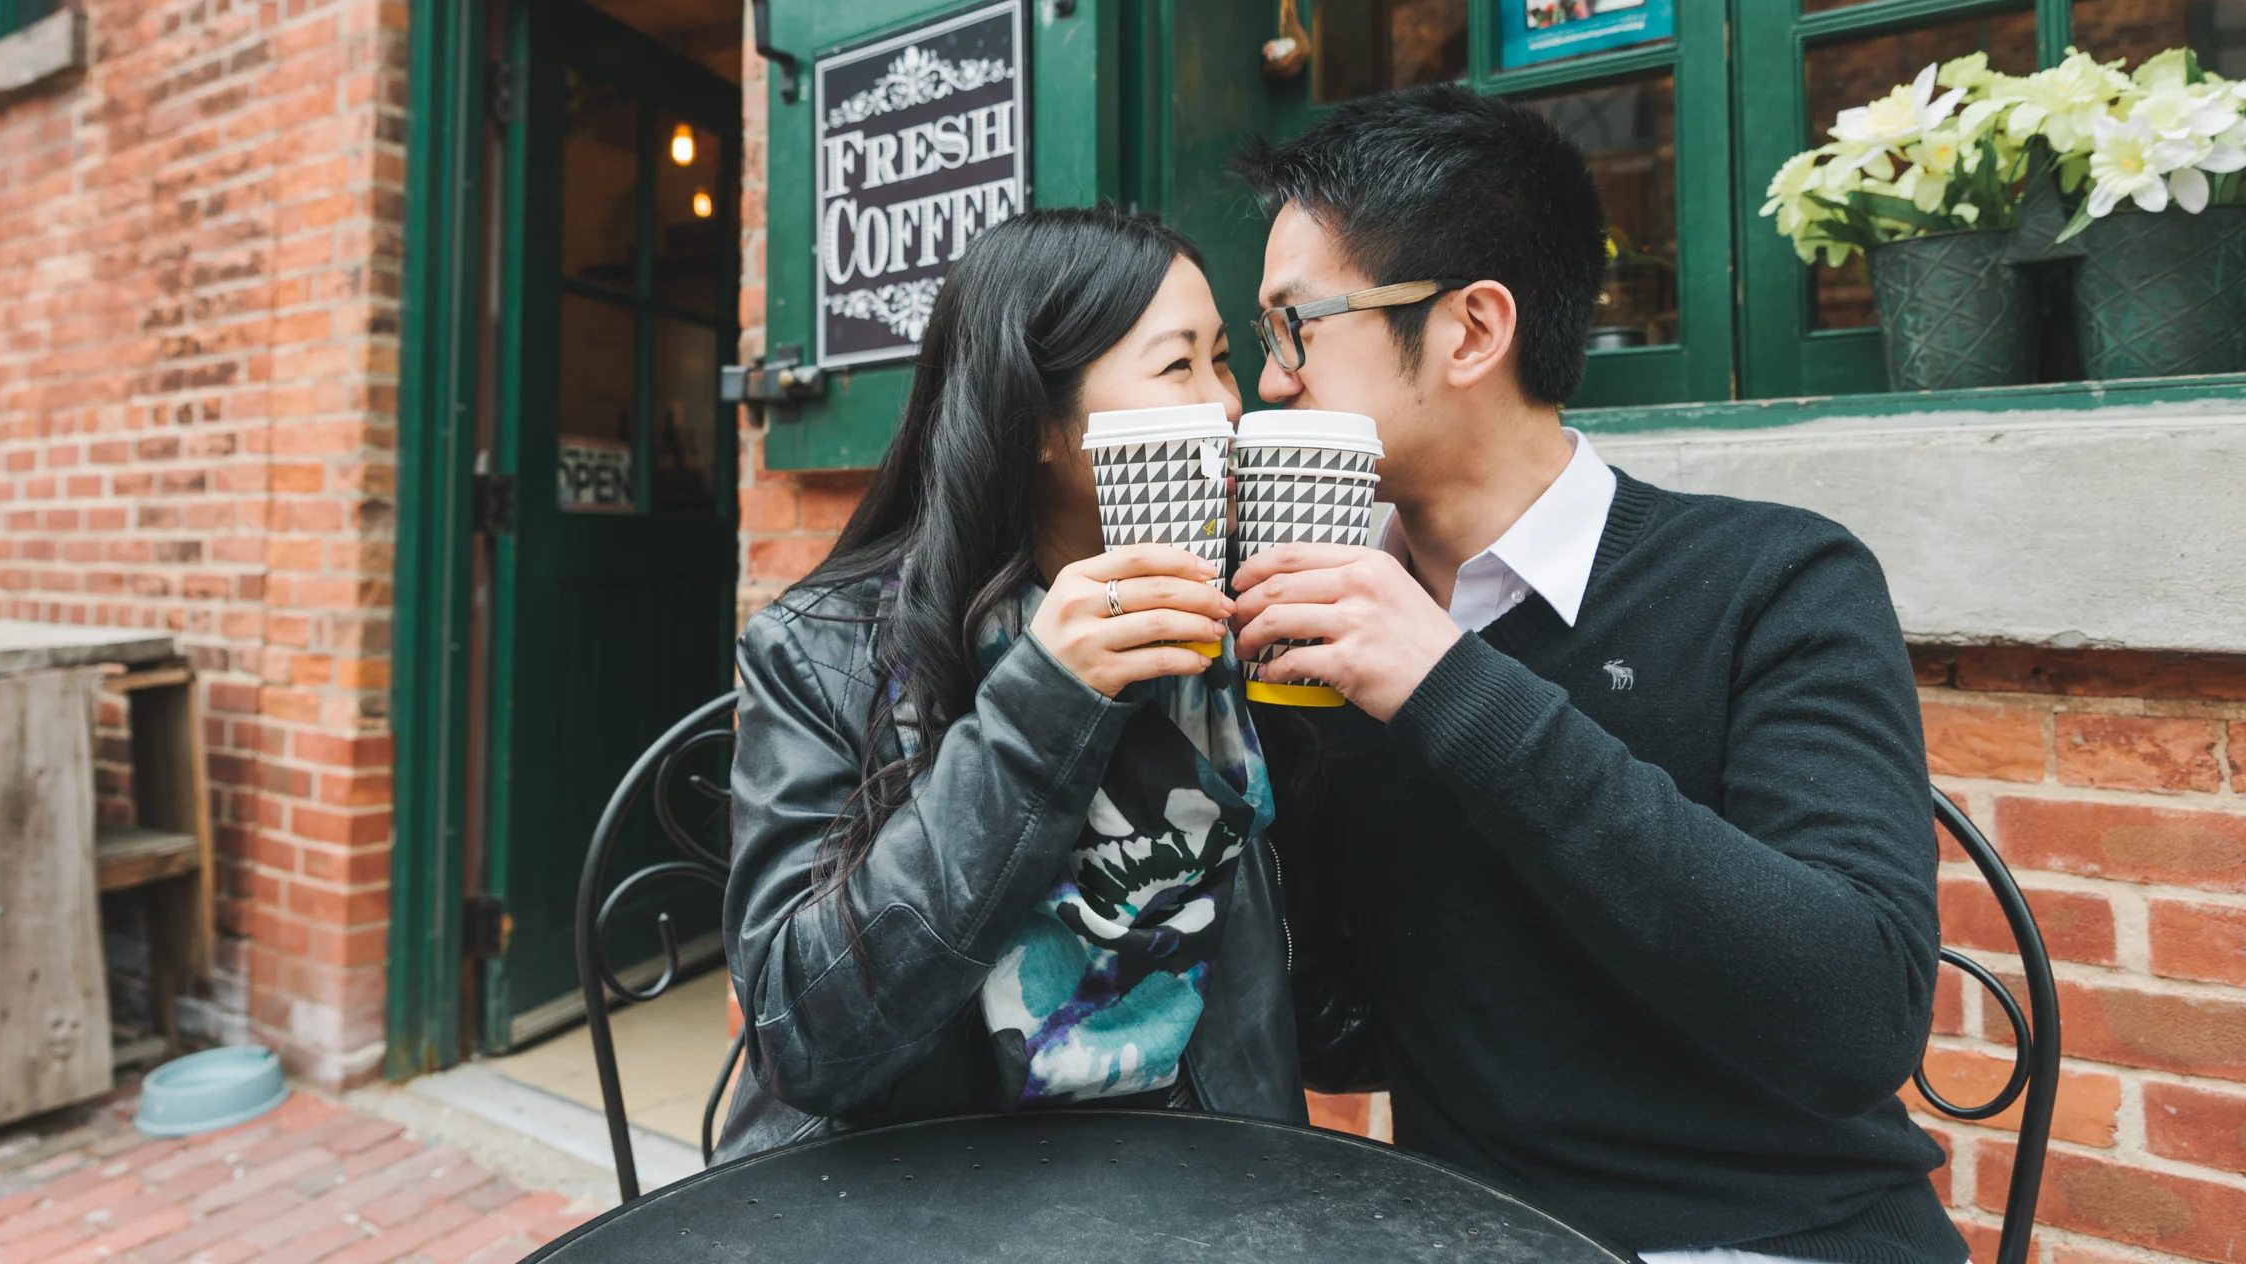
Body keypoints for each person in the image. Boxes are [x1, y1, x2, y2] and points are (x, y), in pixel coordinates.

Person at [1228, 85, 1961, 1263]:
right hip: (1473, 1236)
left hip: (1779, 1236)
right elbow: (1341, 1038)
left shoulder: (1775, 579)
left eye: (1293, 327)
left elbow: (1856, 1021)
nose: (1271, 383)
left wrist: (1447, 683)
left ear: (1471, 330)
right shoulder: (1329, 633)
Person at [719, 206, 1303, 1160]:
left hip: (1198, 1176)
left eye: (1224, 359)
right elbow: (804, 1036)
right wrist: (1045, 700)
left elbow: (1323, 998)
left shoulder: (1244, 622)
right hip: (911, 1187)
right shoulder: (824, 653)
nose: (1229, 405)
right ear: (1035, 418)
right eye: (1178, 365)